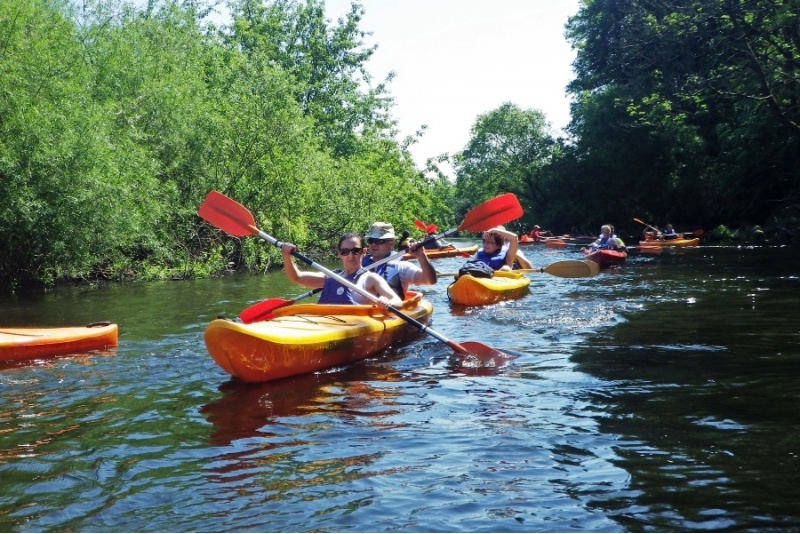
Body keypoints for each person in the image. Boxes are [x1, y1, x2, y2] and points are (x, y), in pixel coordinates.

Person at [279, 233, 402, 309]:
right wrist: (287, 256)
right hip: (325, 325)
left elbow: (397, 301)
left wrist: (387, 302)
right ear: (339, 254)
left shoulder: (370, 279)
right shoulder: (331, 276)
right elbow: (296, 277)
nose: (350, 256)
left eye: (355, 251)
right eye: (345, 251)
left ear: (363, 252)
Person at [362, 222, 437, 299]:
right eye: (371, 240)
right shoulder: (358, 264)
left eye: (378, 241)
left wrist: (421, 256)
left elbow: (430, 280)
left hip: (390, 308)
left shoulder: (402, 266)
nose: (373, 244)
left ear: (391, 243)